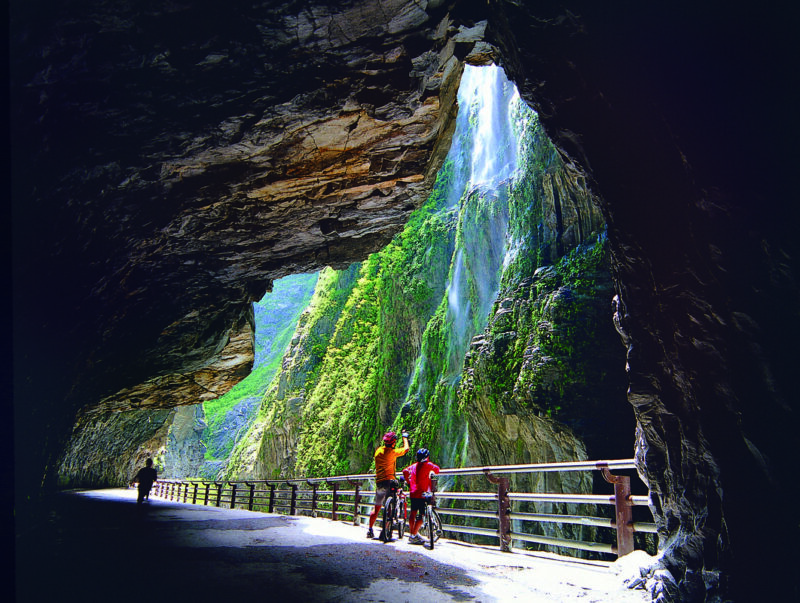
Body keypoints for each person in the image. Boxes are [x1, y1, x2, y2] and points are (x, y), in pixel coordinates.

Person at [366, 429, 409, 538]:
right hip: (390, 482)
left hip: (380, 482)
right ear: (393, 443)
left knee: (377, 508)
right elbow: (406, 449)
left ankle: (370, 529)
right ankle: (385, 530)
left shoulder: (378, 451)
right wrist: (405, 437)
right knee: (390, 507)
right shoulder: (392, 453)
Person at [402, 448, 440, 544]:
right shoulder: (428, 465)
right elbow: (437, 470)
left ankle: (412, 534)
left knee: (413, 513)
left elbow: (405, 471)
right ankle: (414, 535)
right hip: (422, 493)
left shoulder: (414, 466)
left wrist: (408, 481)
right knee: (422, 516)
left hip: (413, 492)